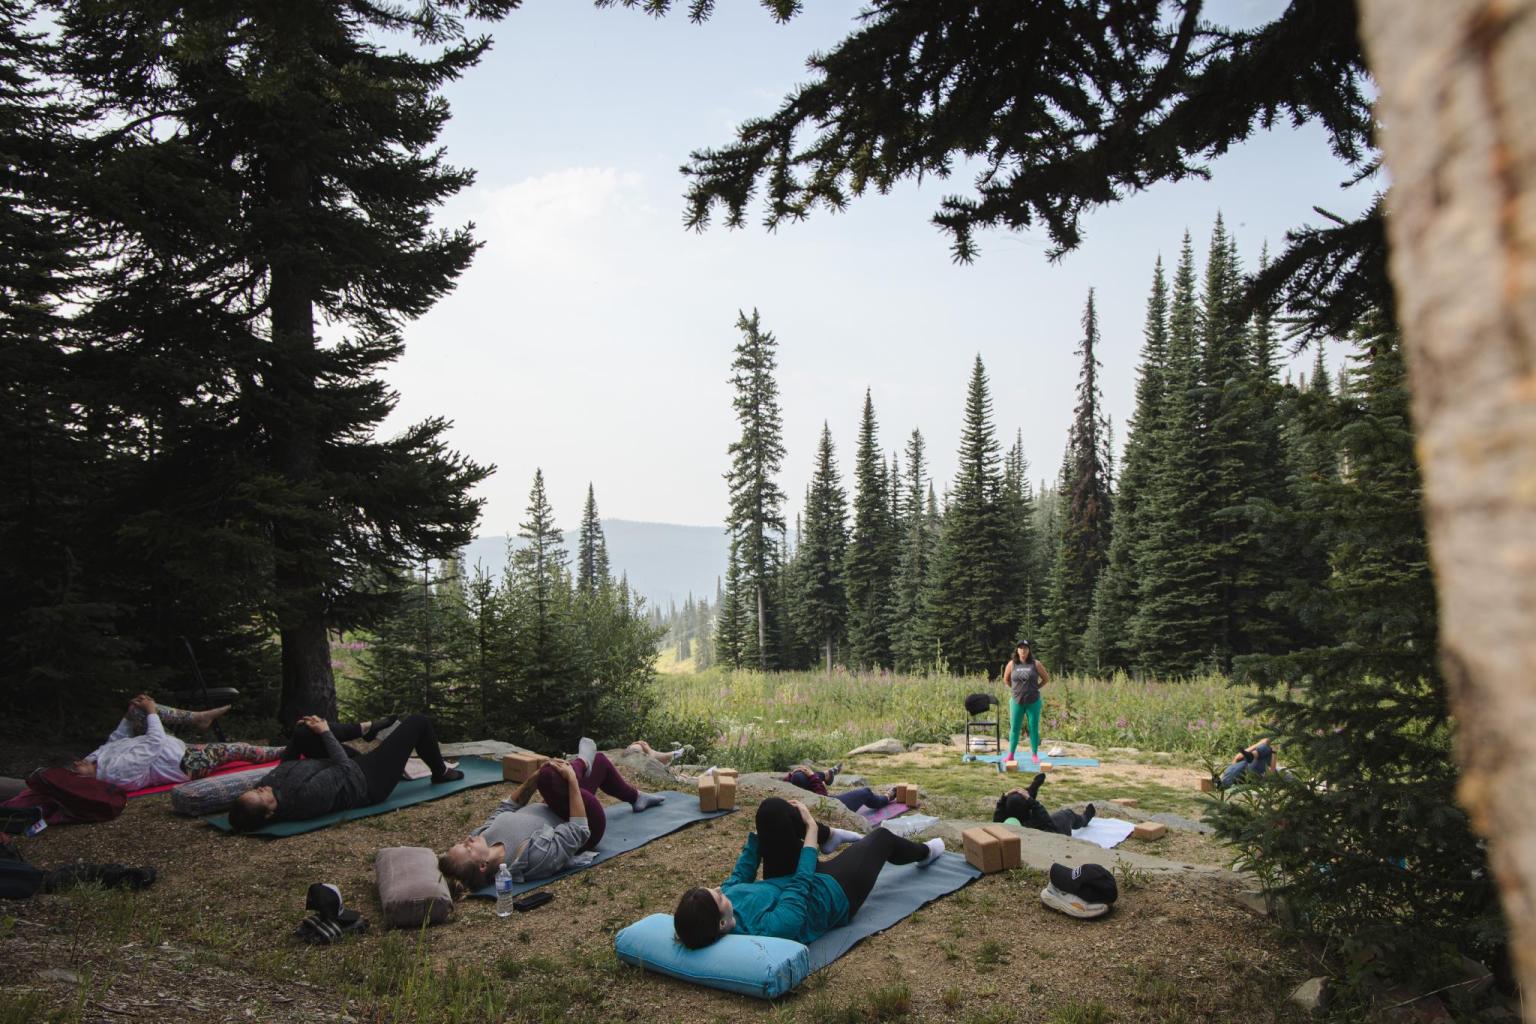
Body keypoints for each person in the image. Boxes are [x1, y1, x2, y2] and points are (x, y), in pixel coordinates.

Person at [672, 796, 945, 949]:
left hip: (786, 879)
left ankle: (829, 837)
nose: (721, 890)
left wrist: (763, 836)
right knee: (882, 837)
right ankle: (924, 853)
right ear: (722, 924)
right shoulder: (768, 930)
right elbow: (801, 885)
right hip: (830, 892)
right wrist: (810, 832)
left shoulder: (723, 907)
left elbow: (739, 877)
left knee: (772, 810)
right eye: (718, 897)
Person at [437, 742, 667, 892]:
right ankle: (581, 762)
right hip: (588, 822)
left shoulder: (482, 836)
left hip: (556, 805)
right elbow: (578, 831)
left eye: (461, 842)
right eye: (467, 849)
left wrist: (534, 777)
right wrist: (572, 782)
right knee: (552, 776)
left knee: (598, 762)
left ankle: (636, 797)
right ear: (482, 866)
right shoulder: (528, 859)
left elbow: (506, 807)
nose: (468, 838)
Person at [227, 713, 461, 832]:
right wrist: (326, 732)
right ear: (269, 814)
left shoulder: (272, 788)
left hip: (340, 765)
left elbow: (286, 764)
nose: (261, 787)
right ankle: (440, 772)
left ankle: (364, 728)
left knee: (303, 733)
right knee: (418, 722)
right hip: (368, 781)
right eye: (259, 794)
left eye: (254, 789)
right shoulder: (304, 798)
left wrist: (305, 732)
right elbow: (345, 769)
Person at [69, 694, 308, 791]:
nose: (75, 762)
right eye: (74, 769)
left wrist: (132, 714)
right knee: (239, 749)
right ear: (83, 778)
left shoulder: (96, 759)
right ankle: (288, 750)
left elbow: (116, 740)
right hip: (184, 764)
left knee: (136, 707)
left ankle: (199, 718)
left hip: (170, 748)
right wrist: (151, 712)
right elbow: (154, 742)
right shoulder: (116, 773)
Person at [993, 772, 1095, 836]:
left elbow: (997, 819)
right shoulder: (1035, 823)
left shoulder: (1003, 824)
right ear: (1028, 810)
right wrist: (1032, 801)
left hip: (1023, 820)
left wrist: (1004, 798)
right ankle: (1085, 818)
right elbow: (1047, 820)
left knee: (1016, 800)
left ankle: (1032, 790)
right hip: (1056, 833)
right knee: (1068, 814)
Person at [1001, 640, 1051, 765]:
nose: (1023, 651)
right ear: (1017, 650)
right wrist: (1014, 689)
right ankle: (1011, 754)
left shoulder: (1036, 664)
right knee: (1014, 728)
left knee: (1033, 728)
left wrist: (1036, 688)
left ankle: (1034, 754)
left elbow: (1046, 679)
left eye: (1026, 648)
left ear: (1029, 650)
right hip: (1016, 701)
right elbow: (1006, 679)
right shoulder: (1012, 664)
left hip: (1033, 701)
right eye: (1021, 648)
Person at [624, 739, 694, 766]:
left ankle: (671, 755)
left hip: (631, 753)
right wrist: (648, 750)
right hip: (634, 755)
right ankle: (671, 755)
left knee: (641, 746)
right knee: (644, 749)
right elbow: (649, 762)